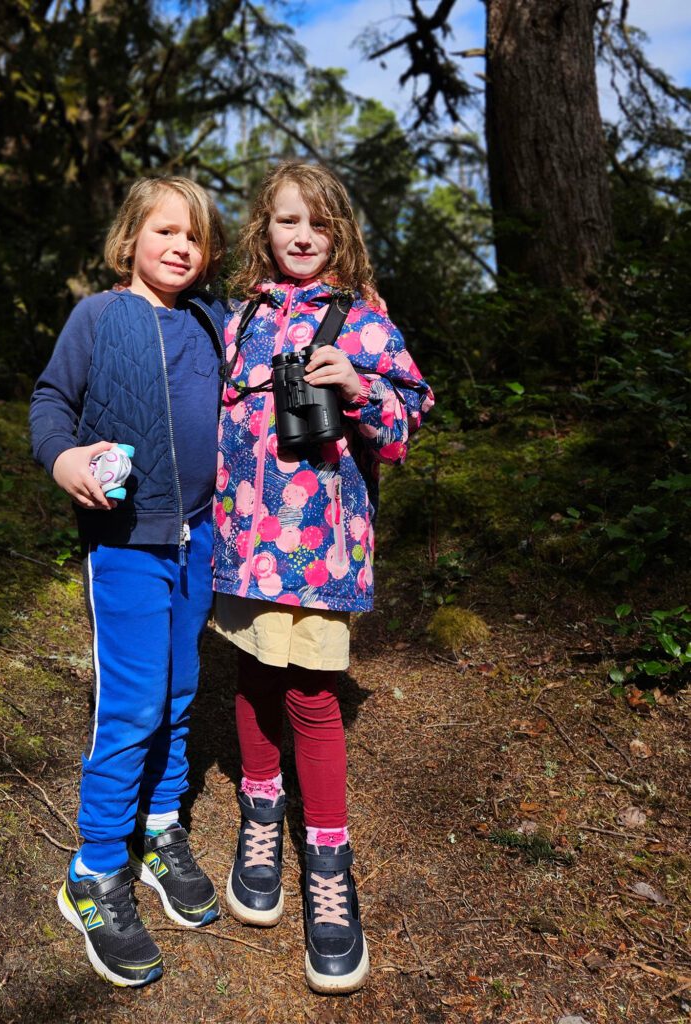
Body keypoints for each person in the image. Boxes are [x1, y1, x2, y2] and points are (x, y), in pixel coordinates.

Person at [213, 161, 434, 993]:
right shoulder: (240, 318)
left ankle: (328, 858)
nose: (301, 236)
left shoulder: (365, 321)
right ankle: (261, 808)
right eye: (286, 220)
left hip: (320, 550)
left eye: (317, 223)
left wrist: (359, 388)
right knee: (252, 672)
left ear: (340, 233)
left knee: (311, 691)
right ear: (262, 230)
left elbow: (405, 425)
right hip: (242, 542)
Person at [29, 177, 226, 988]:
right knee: (134, 703)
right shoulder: (98, 316)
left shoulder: (212, 321)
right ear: (130, 239)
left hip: (199, 536)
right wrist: (64, 458)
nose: (180, 246)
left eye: (195, 236)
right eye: (164, 231)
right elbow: (51, 401)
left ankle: (159, 827)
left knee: (180, 690)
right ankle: (95, 868)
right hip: (125, 540)